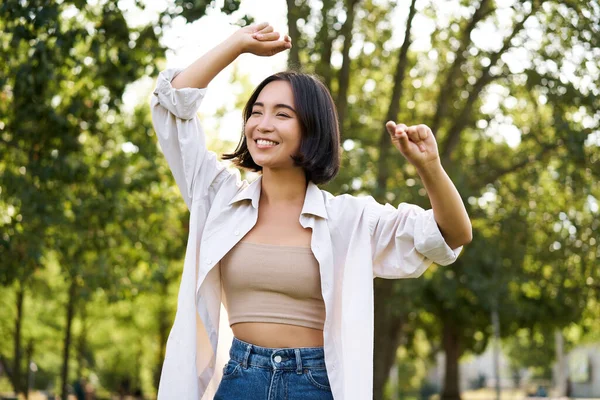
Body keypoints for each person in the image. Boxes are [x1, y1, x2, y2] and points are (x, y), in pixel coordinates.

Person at [150, 22, 472, 400]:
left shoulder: (350, 220)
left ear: (312, 129)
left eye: (282, 114)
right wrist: (236, 44)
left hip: (316, 385)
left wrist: (429, 167)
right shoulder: (218, 197)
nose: (263, 125)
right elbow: (172, 104)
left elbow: (450, 235)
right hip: (240, 380)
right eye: (256, 111)